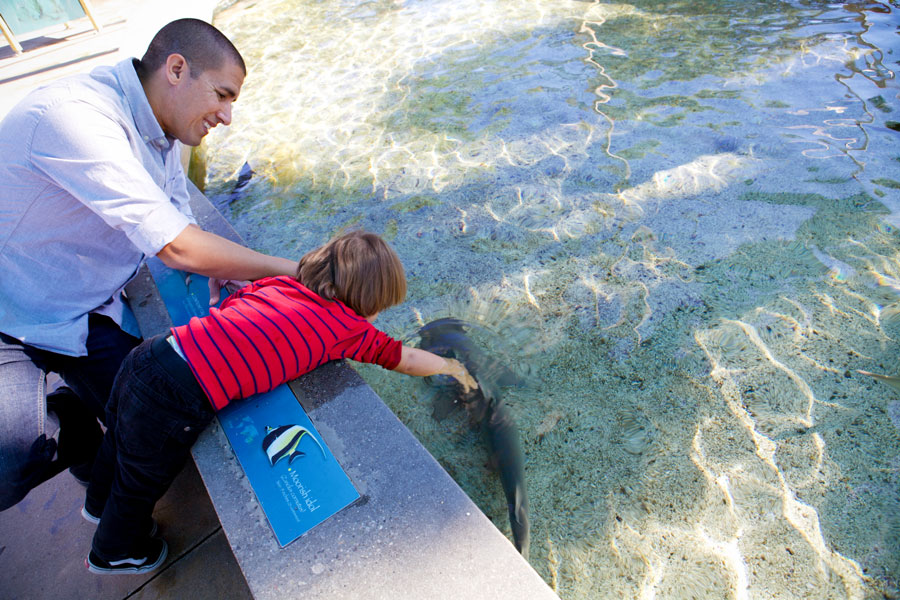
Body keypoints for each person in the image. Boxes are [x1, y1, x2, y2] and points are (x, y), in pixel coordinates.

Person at [0, 18, 297, 511]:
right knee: (9, 463)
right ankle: (69, 429)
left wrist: (219, 265)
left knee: (159, 429)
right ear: (176, 69)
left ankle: (86, 446)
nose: (226, 117)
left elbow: (178, 215)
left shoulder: (165, 130)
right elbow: (176, 246)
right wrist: (297, 272)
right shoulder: (74, 118)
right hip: (11, 312)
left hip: (91, 307)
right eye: (222, 95)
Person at [82, 230, 477, 574]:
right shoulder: (350, 329)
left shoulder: (280, 286)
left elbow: (234, 315)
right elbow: (404, 358)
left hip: (150, 356)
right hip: (174, 396)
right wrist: (451, 366)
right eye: (379, 308)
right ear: (367, 303)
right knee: (142, 478)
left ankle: (97, 503)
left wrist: (217, 291)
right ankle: (113, 552)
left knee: (117, 440)